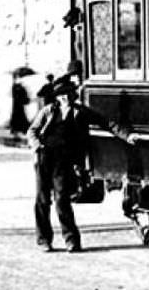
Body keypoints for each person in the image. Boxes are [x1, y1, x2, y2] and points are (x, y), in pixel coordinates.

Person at [26, 74, 134, 252]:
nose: (65, 98)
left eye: (68, 94)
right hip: (44, 158)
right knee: (42, 200)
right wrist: (37, 147)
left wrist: (127, 136)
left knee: (62, 199)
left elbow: (106, 123)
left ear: (73, 95)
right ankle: (44, 240)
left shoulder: (81, 112)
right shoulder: (48, 111)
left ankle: (71, 240)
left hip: (64, 161)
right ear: (57, 97)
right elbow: (32, 131)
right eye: (61, 95)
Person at [9, 71, 31, 136]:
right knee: (19, 115)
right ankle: (18, 129)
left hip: (18, 104)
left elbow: (21, 94)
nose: (18, 79)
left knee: (19, 115)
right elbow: (16, 95)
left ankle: (18, 129)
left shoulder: (17, 86)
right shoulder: (15, 86)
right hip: (17, 104)